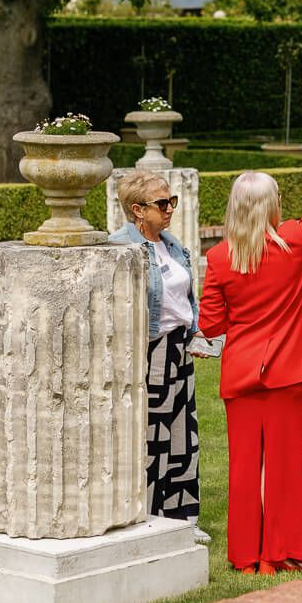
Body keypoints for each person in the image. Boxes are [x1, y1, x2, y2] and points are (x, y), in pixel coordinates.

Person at [198, 128, 302, 574]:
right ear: (273, 207)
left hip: (241, 372)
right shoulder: (295, 241)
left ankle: (247, 556)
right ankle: (282, 552)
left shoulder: (219, 258)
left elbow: (210, 324)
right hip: (288, 370)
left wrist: (238, 318)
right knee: (285, 462)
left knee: (245, 466)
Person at [109, 169, 207, 532]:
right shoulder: (121, 247)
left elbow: (185, 298)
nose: (170, 209)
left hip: (179, 348)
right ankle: (150, 519)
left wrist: (195, 332)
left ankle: (183, 521)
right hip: (152, 353)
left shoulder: (171, 244)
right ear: (138, 210)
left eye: (172, 201)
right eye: (162, 203)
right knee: (153, 438)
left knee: (183, 436)